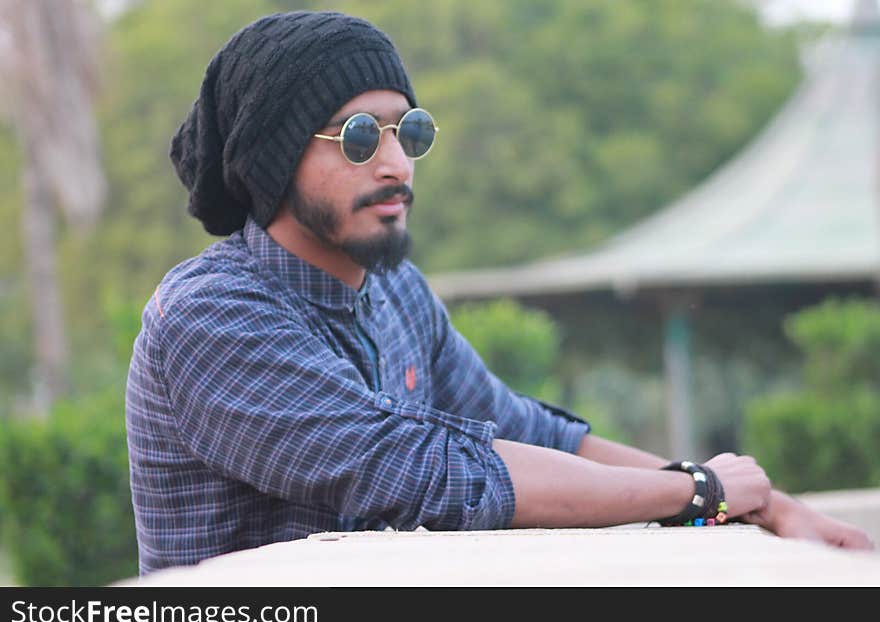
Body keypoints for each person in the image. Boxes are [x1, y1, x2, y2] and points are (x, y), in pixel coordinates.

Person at [125, 10, 873, 575]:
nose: (395, 165)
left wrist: (762, 504)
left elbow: (534, 433)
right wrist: (698, 491)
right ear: (272, 159)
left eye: (407, 132)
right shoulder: (212, 316)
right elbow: (418, 469)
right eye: (358, 137)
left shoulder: (396, 293)